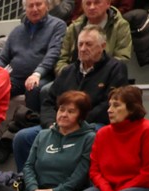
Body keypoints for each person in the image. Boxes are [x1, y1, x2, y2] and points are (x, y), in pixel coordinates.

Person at [12, 26, 123, 172]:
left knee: (98, 135)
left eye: (88, 44)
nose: (83, 49)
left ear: (102, 46)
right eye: (80, 44)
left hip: (91, 124)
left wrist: (77, 122)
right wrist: (50, 124)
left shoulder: (115, 68)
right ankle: (26, 179)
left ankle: (84, 181)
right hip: (60, 124)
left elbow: (109, 105)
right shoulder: (68, 71)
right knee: (22, 137)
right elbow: (48, 101)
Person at [22, 91, 96, 191]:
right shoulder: (43, 135)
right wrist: (33, 189)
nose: (64, 115)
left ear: (81, 116)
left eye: (71, 111)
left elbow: (80, 175)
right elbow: (28, 166)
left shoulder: (89, 138)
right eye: (61, 110)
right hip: (38, 190)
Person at [0, 0, 67, 105]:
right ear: (25, 9)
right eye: (30, 6)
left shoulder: (58, 25)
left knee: (33, 87)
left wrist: (37, 73)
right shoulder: (17, 30)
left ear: (47, 6)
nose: (35, 9)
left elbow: (53, 53)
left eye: (38, 4)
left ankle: (30, 116)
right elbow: (3, 57)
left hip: (43, 76)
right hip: (16, 77)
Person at [57, 0, 133, 72]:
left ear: (108, 3)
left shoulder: (120, 26)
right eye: (88, 3)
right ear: (82, 6)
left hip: (107, 76)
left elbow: (122, 59)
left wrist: (95, 74)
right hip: (74, 75)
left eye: (97, 2)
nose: (92, 7)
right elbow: (61, 59)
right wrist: (69, 75)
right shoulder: (74, 27)